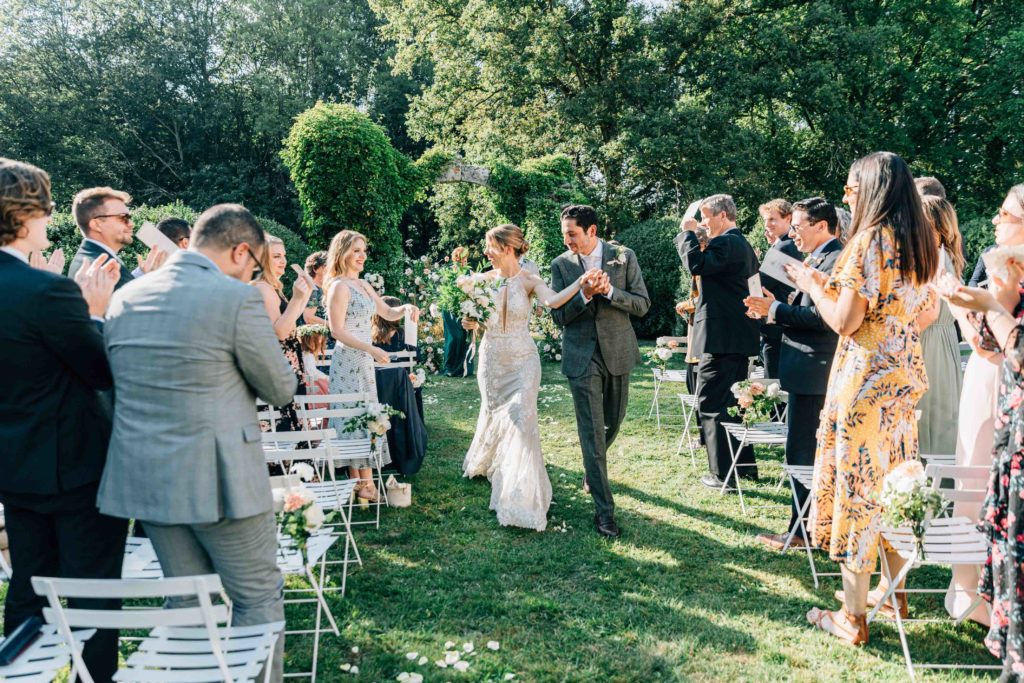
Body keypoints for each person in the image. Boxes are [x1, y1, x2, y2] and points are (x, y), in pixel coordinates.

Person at [98, 204, 298, 683]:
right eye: (252, 265)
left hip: (148, 480)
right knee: (256, 597)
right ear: (241, 250)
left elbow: (112, 387)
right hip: (221, 479)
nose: (250, 273)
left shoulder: (126, 297)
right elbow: (280, 388)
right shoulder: (235, 299)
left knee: (185, 600)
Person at [788, 151, 939, 645]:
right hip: (902, 375)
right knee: (895, 483)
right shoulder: (920, 243)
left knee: (858, 487)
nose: (847, 193)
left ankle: (851, 619)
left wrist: (813, 283)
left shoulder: (869, 240)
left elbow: (845, 321)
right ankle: (894, 595)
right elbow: (922, 314)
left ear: (872, 188)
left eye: (852, 186)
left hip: (865, 381)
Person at [0, 158, 126, 683]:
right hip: (76, 471)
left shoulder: (34, 286)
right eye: (45, 207)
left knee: (29, 587)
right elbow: (99, 371)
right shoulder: (47, 292)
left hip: (14, 466)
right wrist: (92, 311)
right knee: (93, 594)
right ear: (27, 213)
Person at [463, 223, 600, 531]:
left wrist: (580, 282)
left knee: (523, 421)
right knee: (495, 413)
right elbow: (470, 323)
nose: (486, 253)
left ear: (508, 248)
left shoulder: (529, 280)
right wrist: (469, 318)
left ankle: (521, 495)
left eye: (491, 247)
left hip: (523, 361)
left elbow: (552, 301)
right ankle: (489, 460)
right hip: (492, 360)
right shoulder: (481, 281)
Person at [944, 184, 1024, 626]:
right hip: (995, 378)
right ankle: (973, 590)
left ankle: (976, 593)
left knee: (977, 476)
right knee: (982, 482)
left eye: (1005, 214)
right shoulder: (998, 258)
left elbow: (994, 342)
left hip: (1000, 378)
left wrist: (972, 306)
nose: (995, 221)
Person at [744, 197, 842, 550]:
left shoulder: (835, 259)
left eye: (798, 227)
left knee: (804, 454)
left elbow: (825, 320)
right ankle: (806, 527)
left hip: (817, 369)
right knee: (799, 453)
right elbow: (803, 307)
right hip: (804, 367)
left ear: (821, 226)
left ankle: (803, 532)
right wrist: (773, 307)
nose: (794, 235)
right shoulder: (816, 257)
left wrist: (777, 309)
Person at [552, 206, 650, 537]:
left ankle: (591, 469)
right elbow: (559, 317)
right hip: (581, 357)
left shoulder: (624, 256)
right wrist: (584, 294)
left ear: (591, 231)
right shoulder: (561, 265)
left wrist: (608, 292)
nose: (566, 240)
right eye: (564, 233)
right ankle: (604, 512)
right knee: (592, 431)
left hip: (618, 352)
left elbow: (642, 304)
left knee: (613, 421)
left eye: (571, 233)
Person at [323, 230, 419, 503]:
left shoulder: (363, 285)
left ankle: (362, 484)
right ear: (342, 253)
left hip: (364, 359)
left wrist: (405, 308)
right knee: (353, 418)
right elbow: (337, 331)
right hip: (348, 360)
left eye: (364, 250)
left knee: (365, 416)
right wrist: (371, 348)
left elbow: (386, 312)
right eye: (356, 250)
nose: (362, 255)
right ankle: (361, 483)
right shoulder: (339, 286)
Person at [675, 194, 761, 490]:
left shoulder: (727, 242)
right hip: (736, 335)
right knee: (736, 402)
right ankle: (745, 466)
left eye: (706, 216)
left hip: (722, 337)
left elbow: (696, 265)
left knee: (712, 402)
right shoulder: (742, 244)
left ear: (723, 215)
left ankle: (722, 473)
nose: (703, 223)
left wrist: (686, 232)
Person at [251, 233, 315, 433]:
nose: (283, 261)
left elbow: (292, 320)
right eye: (276, 256)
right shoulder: (262, 288)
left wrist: (306, 294)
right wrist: (297, 298)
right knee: (283, 427)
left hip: (288, 364)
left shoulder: (273, 288)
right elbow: (279, 332)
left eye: (284, 255)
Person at [917, 196, 965, 455]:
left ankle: (930, 484)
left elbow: (928, 312)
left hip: (929, 342)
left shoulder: (934, 258)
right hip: (943, 341)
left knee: (931, 412)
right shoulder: (945, 255)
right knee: (941, 411)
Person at [67, 186, 166, 289]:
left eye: (129, 218)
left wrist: (143, 274)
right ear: (97, 224)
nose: (131, 224)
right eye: (123, 218)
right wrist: (153, 278)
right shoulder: (107, 271)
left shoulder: (85, 258)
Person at [372, 296, 427, 476]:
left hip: (376, 387)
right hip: (399, 387)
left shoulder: (368, 335)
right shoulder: (403, 334)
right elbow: (415, 357)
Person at [757, 198, 801, 379]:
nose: (768, 224)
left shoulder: (785, 246)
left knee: (773, 381)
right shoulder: (781, 245)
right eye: (766, 220)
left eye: (772, 219)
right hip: (776, 322)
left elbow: (762, 282)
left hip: (777, 323)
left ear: (788, 219)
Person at [442, 246, 474, 376]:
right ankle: (449, 367)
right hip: (449, 308)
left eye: (466, 257)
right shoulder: (449, 271)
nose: (465, 260)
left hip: (465, 307)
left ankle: (462, 368)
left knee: (463, 337)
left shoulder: (470, 272)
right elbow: (444, 290)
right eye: (462, 257)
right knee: (454, 337)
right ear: (456, 258)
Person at [302, 251, 328, 327]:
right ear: (315, 269)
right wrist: (332, 325)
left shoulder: (324, 289)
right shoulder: (312, 290)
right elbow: (309, 317)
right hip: (318, 337)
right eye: (325, 266)